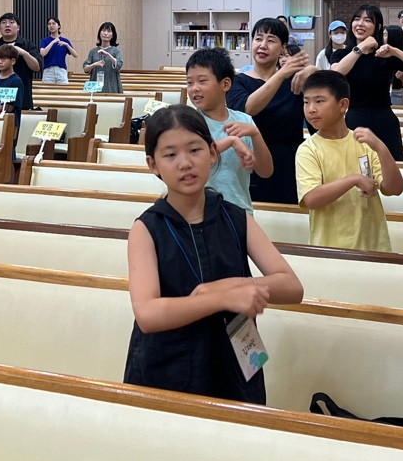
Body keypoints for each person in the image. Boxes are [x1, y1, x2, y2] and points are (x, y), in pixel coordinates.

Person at [124, 104, 303, 403]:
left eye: (194, 150)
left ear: (212, 153)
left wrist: (232, 286)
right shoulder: (146, 228)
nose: (185, 163)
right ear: (153, 164)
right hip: (169, 367)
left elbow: (292, 287)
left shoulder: (236, 217)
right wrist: (220, 299)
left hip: (237, 361)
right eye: (170, 155)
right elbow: (147, 314)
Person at [297, 70, 403, 252]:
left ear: (343, 105)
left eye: (319, 101)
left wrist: (381, 148)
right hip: (330, 249)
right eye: (306, 102)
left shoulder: (364, 142)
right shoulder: (308, 149)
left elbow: (395, 188)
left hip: (373, 245)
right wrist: (354, 179)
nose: (311, 109)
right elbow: (311, 199)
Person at [327, 4, 403, 161]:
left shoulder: (385, 54)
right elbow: (337, 73)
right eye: (357, 19)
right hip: (356, 117)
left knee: (391, 165)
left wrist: (395, 51)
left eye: (367, 20)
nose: (360, 24)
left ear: (377, 27)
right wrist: (361, 47)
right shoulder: (342, 53)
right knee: (356, 166)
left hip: (384, 118)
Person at [227, 18, 309, 205]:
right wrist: (281, 74)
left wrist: (312, 71)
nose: (263, 45)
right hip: (250, 159)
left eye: (271, 40)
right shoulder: (238, 81)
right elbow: (247, 109)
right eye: (258, 39)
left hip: (290, 162)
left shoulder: (295, 81)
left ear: (283, 47)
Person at [186, 48, 273, 213]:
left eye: (202, 81)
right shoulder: (188, 122)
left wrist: (255, 134)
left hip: (240, 213)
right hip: (200, 215)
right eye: (190, 82)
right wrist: (231, 141)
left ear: (225, 84)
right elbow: (196, 160)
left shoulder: (244, 120)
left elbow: (266, 171)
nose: (194, 88)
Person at [0, 12, 41, 109]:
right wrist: (3, 53)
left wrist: (24, 53)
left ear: (18, 27)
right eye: (3, 23)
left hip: (23, 96)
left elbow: (37, 67)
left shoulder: (27, 44)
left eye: (11, 22)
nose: (7, 25)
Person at [83, 22, 124, 93]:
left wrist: (108, 54)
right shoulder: (93, 51)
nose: (105, 33)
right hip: (95, 87)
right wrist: (95, 64)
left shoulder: (116, 51)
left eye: (109, 31)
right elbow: (85, 69)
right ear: (100, 33)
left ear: (113, 35)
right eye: (103, 31)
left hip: (111, 86)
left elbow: (119, 65)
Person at [39, 18, 74, 84]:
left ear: (59, 26)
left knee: (64, 89)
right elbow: (42, 53)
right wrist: (53, 42)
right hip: (48, 71)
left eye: (54, 23)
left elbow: (75, 55)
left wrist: (67, 45)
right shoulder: (45, 40)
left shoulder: (65, 40)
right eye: (49, 24)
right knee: (47, 90)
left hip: (61, 70)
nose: (51, 26)